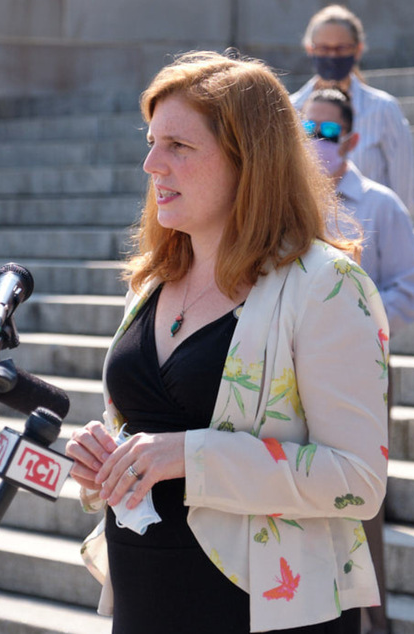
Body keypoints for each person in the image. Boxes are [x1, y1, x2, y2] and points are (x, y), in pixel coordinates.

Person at [66, 50, 389, 634]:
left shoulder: (327, 285)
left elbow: (357, 482)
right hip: (145, 597)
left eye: (178, 147)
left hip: (262, 613)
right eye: (151, 140)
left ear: (250, 161)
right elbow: (152, 431)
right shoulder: (151, 278)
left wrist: (187, 456)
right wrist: (110, 462)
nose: (150, 164)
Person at [303, 87, 414, 634]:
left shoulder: (380, 204)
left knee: (360, 504)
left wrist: (361, 325)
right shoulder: (289, 202)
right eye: (307, 131)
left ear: (350, 139)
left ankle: (372, 624)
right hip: (294, 374)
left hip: (362, 375)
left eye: (326, 132)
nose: (314, 142)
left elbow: (409, 289)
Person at [290, 4, 414, 214]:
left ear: (357, 50)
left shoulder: (384, 109)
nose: (332, 55)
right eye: (323, 49)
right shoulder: (290, 109)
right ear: (310, 49)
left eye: (341, 49)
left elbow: (403, 198)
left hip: (368, 235)